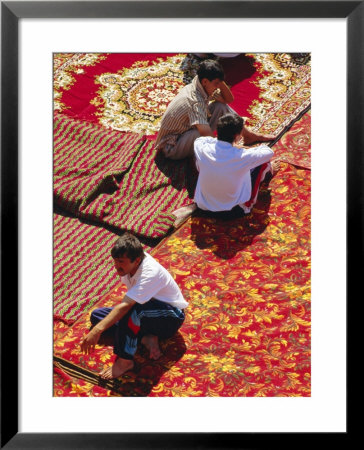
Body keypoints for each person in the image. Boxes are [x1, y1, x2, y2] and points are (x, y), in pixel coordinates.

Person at [80, 233, 188, 380]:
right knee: (98, 316)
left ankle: (125, 362)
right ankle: (146, 337)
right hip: (148, 313)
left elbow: (126, 306)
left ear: (137, 260)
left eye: (120, 262)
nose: (116, 266)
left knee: (130, 311)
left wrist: (98, 330)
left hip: (170, 318)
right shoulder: (130, 265)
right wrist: (100, 326)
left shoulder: (149, 273)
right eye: (115, 261)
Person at [155, 59, 274, 160]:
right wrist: (233, 148)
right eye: (216, 83)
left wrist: (220, 82)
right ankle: (223, 154)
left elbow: (229, 99)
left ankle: (248, 135)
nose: (218, 87)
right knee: (200, 135)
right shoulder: (195, 101)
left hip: (186, 131)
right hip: (171, 146)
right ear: (205, 82)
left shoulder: (201, 83)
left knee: (220, 106)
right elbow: (206, 134)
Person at [193, 113, 276, 215]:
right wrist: (243, 148)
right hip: (234, 211)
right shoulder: (242, 156)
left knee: (200, 161)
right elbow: (268, 152)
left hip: (203, 207)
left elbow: (200, 140)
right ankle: (268, 174)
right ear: (237, 136)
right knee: (264, 163)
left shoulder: (202, 148)